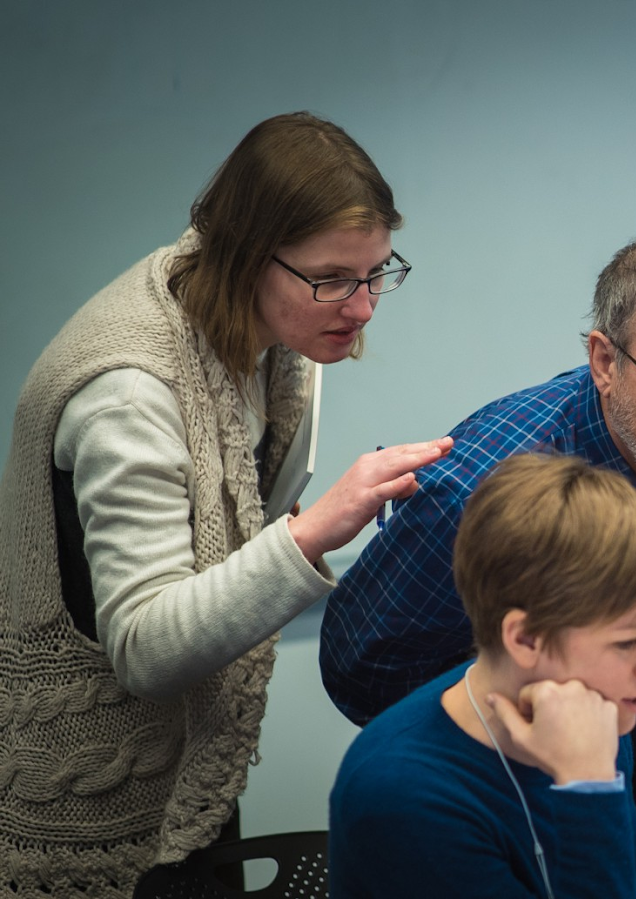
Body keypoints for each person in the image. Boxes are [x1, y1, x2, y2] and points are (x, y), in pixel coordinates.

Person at [0, 112, 451, 894]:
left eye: (378, 271)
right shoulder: (127, 395)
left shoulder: (279, 332)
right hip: (91, 788)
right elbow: (144, 647)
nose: (364, 306)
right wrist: (313, 534)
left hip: (198, 760)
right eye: (333, 279)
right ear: (248, 257)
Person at [320, 231, 636, 898]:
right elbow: (363, 663)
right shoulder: (482, 485)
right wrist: (511, 734)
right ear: (604, 361)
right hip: (515, 771)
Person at [330, 453, 636, 898]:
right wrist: (588, 788)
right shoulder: (404, 798)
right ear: (527, 639)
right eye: (628, 641)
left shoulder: (592, 708)